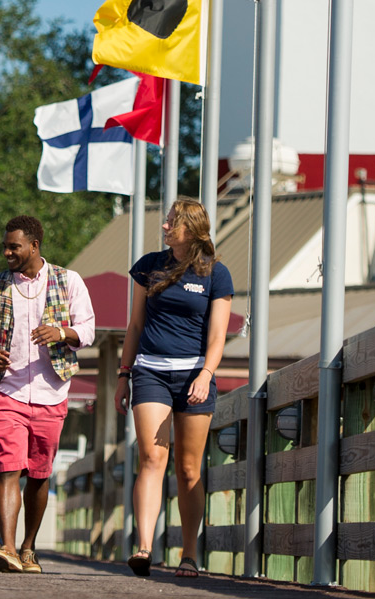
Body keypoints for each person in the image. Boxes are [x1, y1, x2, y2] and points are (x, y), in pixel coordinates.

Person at [114, 198, 233, 578]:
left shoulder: (216, 274)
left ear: (191, 230)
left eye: (171, 223)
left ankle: (189, 552)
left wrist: (206, 374)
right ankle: (145, 547)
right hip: (150, 372)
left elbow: (217, 336)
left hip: (194, 376)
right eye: (165, 221)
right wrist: (123, 373)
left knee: (187, 469)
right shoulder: (149, 266)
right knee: (151, 458)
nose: (164, 227)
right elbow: (134, 326)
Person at [0, 215, 95, 574]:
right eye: (5, 246)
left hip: (51, 391)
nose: (7, 252)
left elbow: (87, 329)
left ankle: (28, 547)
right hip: (7, 391)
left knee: (39, 475)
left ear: (34, 246)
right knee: (7, 470)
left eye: (14, 246)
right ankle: (7, 546)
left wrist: (61, 333)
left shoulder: (68, 280)